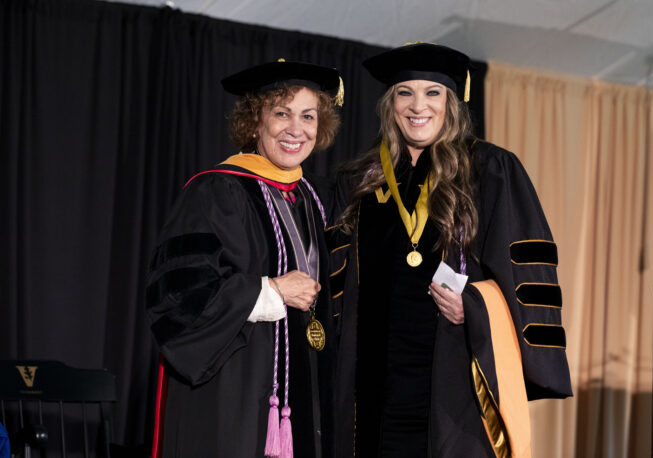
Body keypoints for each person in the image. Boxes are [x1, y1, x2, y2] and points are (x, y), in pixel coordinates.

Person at [328, 43, 572, 457]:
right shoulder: (359, 183)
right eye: (404, 92)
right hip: (370, 395)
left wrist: (476, 306)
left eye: (432, 93)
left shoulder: (490, 170)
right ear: (390, 104)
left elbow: (529, 277)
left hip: (452, 393)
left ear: (453, 103)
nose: (417, 105)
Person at [146, 60, 343, 458]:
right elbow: (178, 296)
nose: (296, 128)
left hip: (305, 391)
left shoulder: (313, 199)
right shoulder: (216, 191)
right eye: (281, 114)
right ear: (255, 123)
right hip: (235, 393)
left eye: (308, 116)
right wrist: (269, 291)